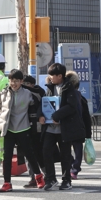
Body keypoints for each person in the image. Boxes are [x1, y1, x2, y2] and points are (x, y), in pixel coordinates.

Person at [0, 69, 45, 192]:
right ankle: (7, 183)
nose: (13, 83)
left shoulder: (28, 93)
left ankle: (38, 177)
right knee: (7, 157)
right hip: (8, 129)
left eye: (16, 80)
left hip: (24, 128)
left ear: (22, 81)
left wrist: (39, 117)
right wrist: (0, 118)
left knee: (30, 155)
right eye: (11, 80)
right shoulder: (4, 93)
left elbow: (38, 102)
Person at [38, 63, 85, 191]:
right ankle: (51, 178)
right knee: (46, 152)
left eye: (52, 75)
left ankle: (66, 180)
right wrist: (40, 116)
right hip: (50, 128)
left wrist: (57, 116)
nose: (50, 77)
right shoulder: (49, 87)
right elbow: (44, 103)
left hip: (64, 128)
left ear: (60, 76)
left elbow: (71, 106)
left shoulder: (70, 89)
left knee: (65, 155)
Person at [65, 71, 92, 180]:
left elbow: (86, 117)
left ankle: (74, 167)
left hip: (74, 127)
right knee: (75, 149)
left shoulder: (79, 99)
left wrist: (88, 134)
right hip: (74, 127)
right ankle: (74, 167)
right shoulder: (81, 98)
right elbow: (87, 118)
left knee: (74, 148)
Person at [21, 75, 46, 188]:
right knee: (28, 153)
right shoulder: (25, 93)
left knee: (38, 153)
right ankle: (33, 178)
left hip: (37, 127)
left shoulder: (37, 92)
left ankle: (46, 176)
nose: (24, 86)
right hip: (26, 126)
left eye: (26, 84)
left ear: (31, 84)